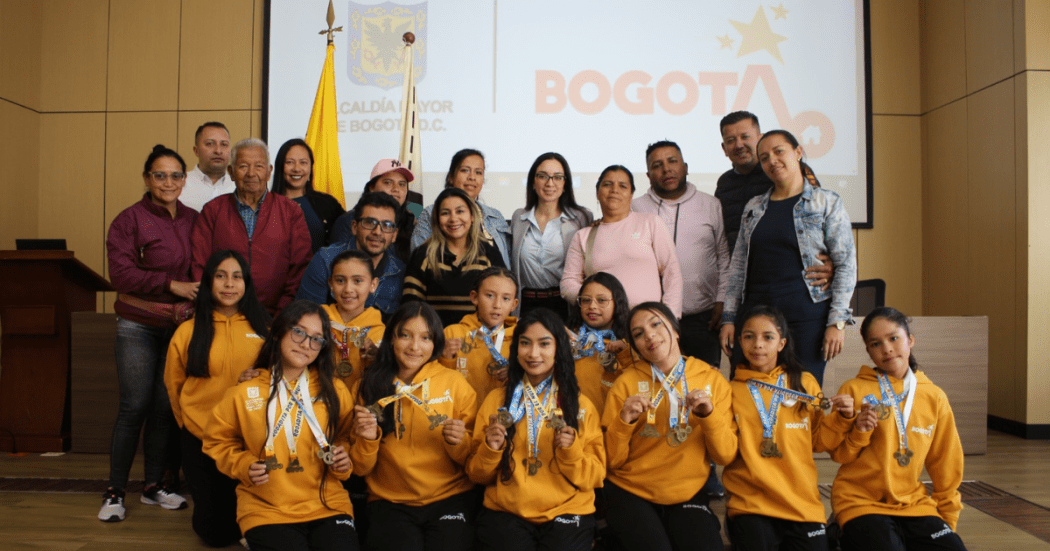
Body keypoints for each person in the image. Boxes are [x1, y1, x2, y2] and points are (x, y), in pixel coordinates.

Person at [204, 300, 359, 551]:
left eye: (316, 339)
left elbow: (346, 436)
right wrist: (243, 464)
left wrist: (343, 457)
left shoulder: (335, 391)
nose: (306, 344)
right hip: (266, 508)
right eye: (298, 332)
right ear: (278, 333)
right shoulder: (245, 392)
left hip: (328, 503)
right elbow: (217, 441)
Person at [99, 144, 196, 523]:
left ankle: (154, 486)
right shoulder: (128, 220)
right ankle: (115, 492)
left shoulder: (195, 219)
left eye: (175, 175)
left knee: (162, 407)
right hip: (137, 327)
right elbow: (121, 276)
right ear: (146, 179)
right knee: (133, 406)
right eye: (160, 175)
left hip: (178, 328)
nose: (168, 182)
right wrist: (172, 285)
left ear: (185, 179)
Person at [719, 129, 857, 386]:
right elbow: (737, 268)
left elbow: (845, 263)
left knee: (802, 394)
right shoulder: (754, 206)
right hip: (754, 319)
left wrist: (837, 322)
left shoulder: (826, 202)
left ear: (798, 152)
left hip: (806, 318)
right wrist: (729, 318)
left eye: (779, 151)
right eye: (764, 157)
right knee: (746, 393)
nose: (772, 160)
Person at [467, 308, 606, 551]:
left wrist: (571, 451)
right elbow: (477, 476)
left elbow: (595, 477)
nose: (533, 353)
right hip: (507, 511)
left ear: (559, 349)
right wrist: (491, 449)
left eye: (544, 344)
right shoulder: (496, 401)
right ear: (515, 348)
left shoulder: (580, 404)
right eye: (525, 343)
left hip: (568, 510)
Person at [829, 307, 967, 551]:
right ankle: (840, 532)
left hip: (913, 503)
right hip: (859, 502)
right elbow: (840, 455)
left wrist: (947, 523)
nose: (887, 348)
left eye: (894, 338)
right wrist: (858, 430)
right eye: (875, 343)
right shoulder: (854, 389)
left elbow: (946, 464)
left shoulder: (934, 397)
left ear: (910, 340)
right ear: (869, 352)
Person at [602, 302, 735, 551]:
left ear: (675, 329)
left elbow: (725, 455)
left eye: (656, 324)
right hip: (630, 489)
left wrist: (709, 416)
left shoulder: (711, 380)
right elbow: (613, 462)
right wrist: (624, 422)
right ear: (636, 345)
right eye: (638, 334)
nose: (649, 335)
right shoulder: (626, 382)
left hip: (686, 493)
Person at [722, 305, 856, 551]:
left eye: (768, 337)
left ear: (781, 343)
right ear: (740, 341)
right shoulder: (731, 391)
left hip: (802, 505)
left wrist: (843, 418)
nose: (758, 344)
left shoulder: (804, 383)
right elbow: (724, 450)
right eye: (749, 336)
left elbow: (818, 441)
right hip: (751, 505)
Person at [350, 301, 478, 551]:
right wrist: (367, 439)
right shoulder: (368, 386)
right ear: (391, 339)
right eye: (405, 336)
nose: (415, 347)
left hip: (450, 498)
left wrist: (458, 442)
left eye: (425, 338)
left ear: (436, 342)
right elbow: (360, 468)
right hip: (390, 502)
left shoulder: (455, 383)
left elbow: (473, 460)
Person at [164, 250, 271, 546]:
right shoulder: (188, 331)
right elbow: (174, 387)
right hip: (202, 439)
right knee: (214, 533)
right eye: (220, 276)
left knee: (255, 520)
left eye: (237, 277)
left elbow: (280, 378)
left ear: (247, 284)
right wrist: (190, 425)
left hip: (249, 440)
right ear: (209, 282)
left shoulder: (264, 330)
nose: (229, 284)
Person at [191, 137, 312, 315]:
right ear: (231, 172)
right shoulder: (212, 211)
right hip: (223, 314)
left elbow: (300, 268)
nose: (251, 173)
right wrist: (215, 309)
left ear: (269, 171)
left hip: (274, 316)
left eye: (259, 166)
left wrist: (281, 315)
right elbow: (199, 266)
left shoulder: (290, 211)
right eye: (243, 166)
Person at [635, 140, 728, 367]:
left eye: (672, 161)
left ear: (685, 167)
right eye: (657, 165)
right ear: (648, 175)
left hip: (703, 317)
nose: (666, 169)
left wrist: (722, 301)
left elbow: (724, 257)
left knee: (704, 386)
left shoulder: (711, 204)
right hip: (651, 318)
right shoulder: (634, 208)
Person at [715, 112, 833, 284]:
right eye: (731, 140)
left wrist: (830, 260)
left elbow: (821, 220)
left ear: (760, 140)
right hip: (744, 281)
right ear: (724, 148)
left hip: (792, 276)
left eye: (745, 137)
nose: (739, 145)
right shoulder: (724, 184)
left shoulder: (788, 171)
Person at [561, 165, 682, 318]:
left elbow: (671, 271)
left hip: (647, 324)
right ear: (597, 192)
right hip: (602, 328)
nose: (614, 190)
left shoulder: (650, 223)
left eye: (622, 186)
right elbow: (568, 283)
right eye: (607, 184)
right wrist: (595, 301)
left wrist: (669, 318)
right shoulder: (583, 236)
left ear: (631, 194)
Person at [402, 187, 507, 327]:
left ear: (472, 216)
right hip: (436, 343)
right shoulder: (422, 255)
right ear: (437, 219)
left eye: (460, 211)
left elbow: (503, 304)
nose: (453, 219)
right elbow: (411, 309)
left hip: (480, 343)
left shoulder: (489, 253)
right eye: (445, 213)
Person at [509, 152, 593, 320]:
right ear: (533, 181)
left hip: (564, 304)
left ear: (565, 183)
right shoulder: (519, 218)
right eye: (543, 176)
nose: (550, 183)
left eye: (557, 177)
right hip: (526, 304)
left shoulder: (581, 218)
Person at [297, 192, 407, 318]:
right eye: (370, 222)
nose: (377, 232)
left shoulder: (400, 273)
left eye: (387, 225)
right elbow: (306, 319)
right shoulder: (325, 260)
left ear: (394, 235)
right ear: (354, 227)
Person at [411, 149, 511, 267]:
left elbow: (507, 265)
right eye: (465, 170)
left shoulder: (495, 216)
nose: (472, 177)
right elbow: (417, 262)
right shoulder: (430, 213)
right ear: (451, 177)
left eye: (478, 172)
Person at [440, 267, 519, 402]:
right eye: (489, 295)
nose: (497, 305)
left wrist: (516, 373)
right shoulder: (453, 333)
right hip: (460, 419)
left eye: (506, 298)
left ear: (514, 304)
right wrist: (446, 359)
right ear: (474, 297)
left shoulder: (521, 338)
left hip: (501, 419)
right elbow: (436, 383)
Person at [568, 272, 634, 415]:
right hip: (575, 423)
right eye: (585, 300)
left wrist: (626, 354)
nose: (592, 306)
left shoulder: (628, 344)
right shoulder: (569, 338)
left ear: (617, 303)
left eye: (601, 300)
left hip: (614, 423)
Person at [331, 158, 417, 263]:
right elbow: (341, 265)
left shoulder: (411, 222)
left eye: (402, 184)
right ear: (371, 187)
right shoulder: (348, 221)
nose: (396, 189)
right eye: (388, 182)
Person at [322, 249, 385, 392]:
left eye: (357, 281)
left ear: (373, 284)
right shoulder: (317, 323)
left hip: (361, 409)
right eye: (340, 281)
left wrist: (378, 360)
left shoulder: (380, 334)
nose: (348, 289)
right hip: (318, 406)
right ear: (331, 283)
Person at [271, 138, 346, 253]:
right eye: (290, 162)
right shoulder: (266, 206)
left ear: (311, 167)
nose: (296, 169)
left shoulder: (327, 204)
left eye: (303, 162)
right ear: (280, 166)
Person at [181, 122, 235, 212]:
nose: (218, 151)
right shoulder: (179, 184)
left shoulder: (239, 186)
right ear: (196, 150)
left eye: (224, 144)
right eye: (210, 144)